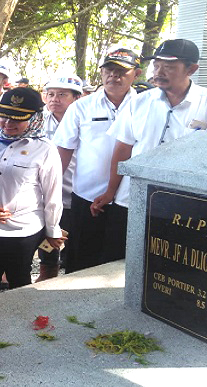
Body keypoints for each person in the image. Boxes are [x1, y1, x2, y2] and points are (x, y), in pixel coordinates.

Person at [96, 39, 207, 237]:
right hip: (132, 198)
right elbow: (123, 149)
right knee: (118, 258)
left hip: (183, 207)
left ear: (191, 69)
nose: (159, 72)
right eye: (157, 65)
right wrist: (111, 191)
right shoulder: (139, 102)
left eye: (168, 67)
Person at [0, 87, 65, 297]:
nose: (8, 123)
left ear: (34, 118)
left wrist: (53, 231)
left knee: (20, 285)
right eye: (4, 116)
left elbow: (52, 195)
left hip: (23, 232)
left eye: (17, 119)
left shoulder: (45, 149)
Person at [53, 48, 141, 273]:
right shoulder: (81, 107)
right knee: (80, 258)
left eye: (122, 71)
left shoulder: (144, 106)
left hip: (128, 199)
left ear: (136, 74)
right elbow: (63, 151)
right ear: (101, 73)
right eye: (109, 70)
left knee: (117, 263)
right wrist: (50, 191)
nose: (114, 76)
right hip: (86, 196)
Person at [37, 74, 83, 280]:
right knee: (48, 229)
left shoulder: (83, 120)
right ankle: (48, 268)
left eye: (62, 95)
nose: (54, 99)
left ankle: (72, 269)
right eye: (51, 94)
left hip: (74, 187)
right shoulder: (36, 120)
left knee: (71, 230)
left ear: (75, 98)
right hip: (44, 187)